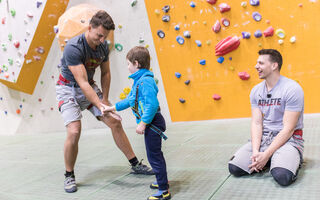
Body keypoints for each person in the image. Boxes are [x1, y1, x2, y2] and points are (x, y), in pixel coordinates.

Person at [55, 10, 154, 193]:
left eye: (105, 36)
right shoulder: (73, 47)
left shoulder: (102, 46)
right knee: (74, 130)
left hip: (89, 87)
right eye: (99, 35)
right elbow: (82, 82)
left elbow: (106, 73)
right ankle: (69, 175)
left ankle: (134, 164)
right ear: (90, 27)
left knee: (114, 121)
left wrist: (105, 100)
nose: (102, 40)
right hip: (68, 88)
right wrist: (99, 104)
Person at [228, 49, 304, 186]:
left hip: (288, 140)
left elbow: (288, 129)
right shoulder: (256, 91)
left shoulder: (292, 88)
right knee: (235, 168)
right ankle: (269, 158)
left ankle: (284, 158)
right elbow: (257, 123)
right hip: (264, 139)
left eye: (261, 63)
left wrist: (267, 153)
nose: (256, 66)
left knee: (282, 177)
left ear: (274, 65)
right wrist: (256, 152)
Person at [103, 46, 171, 200]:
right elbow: (130, 100)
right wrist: (111, 108)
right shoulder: (139, 81)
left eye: (128, 64)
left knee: (154, 156)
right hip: (151, 122)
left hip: (152, 122)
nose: (127, 67)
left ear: (136, 63)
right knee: (154, 154)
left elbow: (152, 105)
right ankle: (162, 180)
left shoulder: (145, 81)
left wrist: (143, 123)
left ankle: (164, 190)